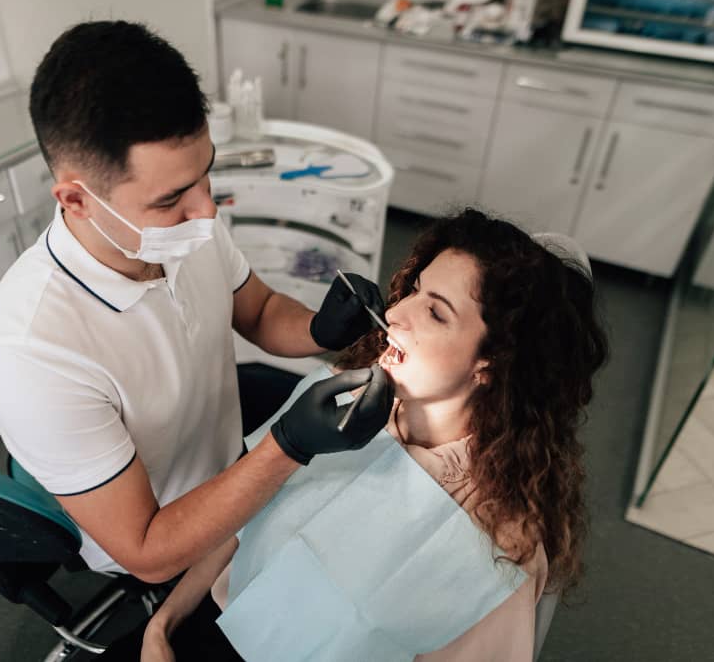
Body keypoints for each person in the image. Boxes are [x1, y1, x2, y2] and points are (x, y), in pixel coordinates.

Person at [0, 19, 394, 594]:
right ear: (76, 199)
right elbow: (148, 550)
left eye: (206, 174)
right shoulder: (33, 351)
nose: (207, 212)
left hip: (233, 463)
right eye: (171, 197)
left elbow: (258, 310)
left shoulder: (183, 232)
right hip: (172, 539)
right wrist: (287, 446)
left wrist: (322, 330)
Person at [137, 209, 609, 661]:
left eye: (436, 313)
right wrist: (163, 625)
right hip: (203, 630)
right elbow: (237, 525)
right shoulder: (334, 406)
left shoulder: (499, 545)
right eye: (414, 291)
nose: (398, 312)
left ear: (492, 363)